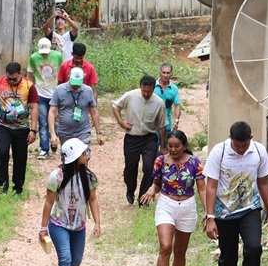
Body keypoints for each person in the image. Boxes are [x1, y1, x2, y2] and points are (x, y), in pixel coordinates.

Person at [203, 121, 268, 266]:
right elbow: (211, 186)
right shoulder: (219, 152)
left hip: (250, 210)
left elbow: (263, 183)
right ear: (231, 140)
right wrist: (210, 218)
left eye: (244, 145)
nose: (241, 149)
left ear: (250, 139)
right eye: (237, 145)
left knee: (254, 249)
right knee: (228, 257)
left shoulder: (259, 151)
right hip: (224, 213)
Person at [140, 130, 205, 266]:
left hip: (187, 206)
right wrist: (150, 191)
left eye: (177, 146)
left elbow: (202, 188)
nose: (173, 150)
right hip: (166, 204)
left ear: (184, 146)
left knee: (180, 251)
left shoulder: (194, 162)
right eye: (170, 146)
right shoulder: (161, 161)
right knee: (165, 247)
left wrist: (208, 212)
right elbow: (157, 184)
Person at [39, 138, 101, 266]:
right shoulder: (56, 176)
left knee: (76, 260)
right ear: (75, 157)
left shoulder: (89, 177)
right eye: (82, 153)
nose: (86, 154)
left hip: (79, 225)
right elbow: (48, 202)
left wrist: (97, 223)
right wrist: (43, 227)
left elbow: (93, 200)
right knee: (65, 257)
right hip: (58, 223)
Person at [0, 62, 39, 194]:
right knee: (1, 153)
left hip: (22, 128)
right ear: (6, 75)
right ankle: (2, 186)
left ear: (20, 75)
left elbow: (34, 107)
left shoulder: (29, 86)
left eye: (15, 79)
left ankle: (18, 187)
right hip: (2, 126)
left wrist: (33, 130)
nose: (11, 81)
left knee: (20, 157)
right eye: (9, 79)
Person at [112, 75, 167, 206]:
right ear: (140, 87)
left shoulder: (159, 103)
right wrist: (121, 122)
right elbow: (115, 106)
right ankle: (130, 190)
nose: (146, 93)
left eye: (149, 91)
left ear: (154, 88)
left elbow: (162, 125)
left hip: (150, 138)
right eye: (144, 91)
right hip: (132, 137)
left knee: (149, 168)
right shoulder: (130, 96)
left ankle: (143, 198)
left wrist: (163, 146)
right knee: (130, 168)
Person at [49, 66, 104, 148]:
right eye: (73, 82)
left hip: (83, 132)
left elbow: (94, 112)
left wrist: (98, 133)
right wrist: (53, 134)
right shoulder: (59, 90)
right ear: (69, 77)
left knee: (83, 158)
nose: (75, 86)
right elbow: (52, 112)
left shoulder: (88, 91)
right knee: (68, 159)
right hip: (65, 133)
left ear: (83, 79)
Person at [27, 37, 64, 159]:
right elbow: (30, 75)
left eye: (46, 52)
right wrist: (30, 91)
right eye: (42, 53)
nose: (44, 54)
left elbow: (62, 73)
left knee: (57, 121)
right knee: (42, 122)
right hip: (40, 94)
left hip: (55, 93)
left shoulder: (58, 56)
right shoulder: (33, 58)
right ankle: (44, 148)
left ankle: (57, 142)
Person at [154, 62, 181, 131]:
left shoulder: (174, 89)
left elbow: (177, 105)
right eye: (164, 72)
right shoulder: (152, 86)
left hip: (167, 125)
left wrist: (176, 120)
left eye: (168, 73)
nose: (166, 75)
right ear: (159, 73)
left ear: (171, 74)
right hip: (151, 125)